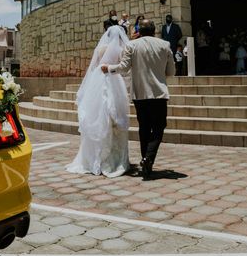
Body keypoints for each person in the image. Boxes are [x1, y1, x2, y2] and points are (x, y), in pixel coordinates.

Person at [101, 19, 175, 178]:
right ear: (155, 30)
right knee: (159, 127)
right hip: (159, 94)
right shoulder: (165, 45)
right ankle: (149, 158)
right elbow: (171, 72)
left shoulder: (132, 45)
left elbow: (124, 67)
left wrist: (109, 68)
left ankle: (145, 160)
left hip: (140, 95)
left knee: (144, 128)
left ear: (139, 31)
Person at [66, 26, 130, 178]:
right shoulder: (121, 49)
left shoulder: (100, 48)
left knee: (98, 114)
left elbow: (94, 66)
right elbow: (123, 68)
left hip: (97, 79)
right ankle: (111, 159)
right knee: (112, 115)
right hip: (113, 79)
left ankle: (93, 158)